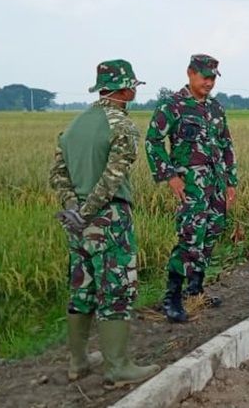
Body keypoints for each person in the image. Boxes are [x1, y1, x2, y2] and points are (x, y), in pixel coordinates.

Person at [49, 59, 160, 388]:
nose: (134, 93)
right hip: (109, 219)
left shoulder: (74, 126)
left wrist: (74, 209)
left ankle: (77, 362)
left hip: (76, 224)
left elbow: (58, 175)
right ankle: (117, 368)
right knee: (116, 289)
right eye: (133, 87)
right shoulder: (122, 126)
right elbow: (113, 178)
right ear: (125, 88)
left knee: (81, 287)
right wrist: (89, 210)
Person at [145, 54, 238, 323]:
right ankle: (172, 297)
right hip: (192, 189)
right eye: (204, 76)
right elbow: (153, 142)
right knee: (190, 237)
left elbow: (226, 146)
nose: (209, 82)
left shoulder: (216, 108)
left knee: (211, 234)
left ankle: (195, 290)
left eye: (212, 78)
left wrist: (231, 182)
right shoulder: (172, 106)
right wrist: (170, 176)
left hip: (217, 185)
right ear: (190, 73)